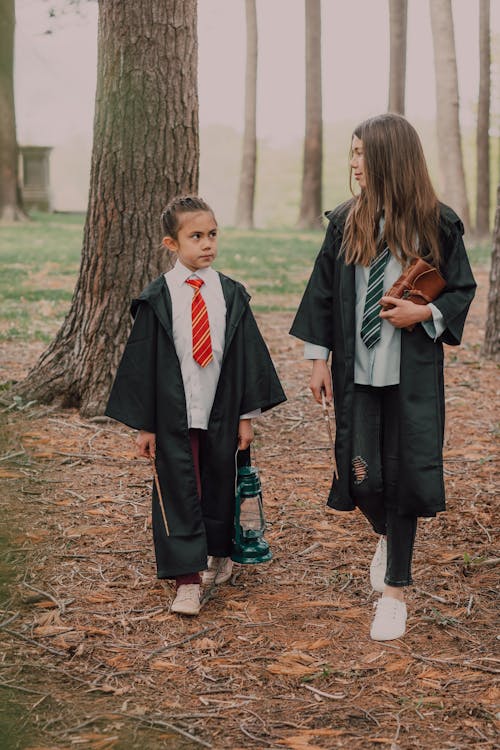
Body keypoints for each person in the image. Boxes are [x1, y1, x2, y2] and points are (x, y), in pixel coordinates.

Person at [290, 114, 476, 641]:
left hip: (410, 377)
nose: (353, 164)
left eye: (361, 154)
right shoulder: (346, 221)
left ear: (390, 159)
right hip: (358, 373)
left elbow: (460, 289)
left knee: (405, 478)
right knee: (362, 477)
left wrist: (426, 315)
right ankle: (387, 535)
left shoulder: (438, 224)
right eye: (351, 154)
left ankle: (395, 593)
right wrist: (317, 358)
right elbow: (322, 293)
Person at [106, 195, 286, 616]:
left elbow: (245, 358)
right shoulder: (158, 299)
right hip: (174, 412)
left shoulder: (230, 294)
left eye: (212, 235)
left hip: (221, 407)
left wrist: (246, 416)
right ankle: (187, 580)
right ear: (172, 243)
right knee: (178, 488)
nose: (207, 244)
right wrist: (145, 425)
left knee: (221, 480)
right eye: (196, 236)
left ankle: (219, 553)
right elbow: (144, 365)